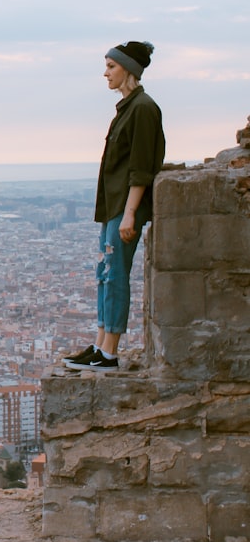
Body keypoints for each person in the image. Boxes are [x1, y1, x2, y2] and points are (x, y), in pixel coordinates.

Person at [64, 41, 165, 372]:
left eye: (111, 66)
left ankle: (110, 353)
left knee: (116, 273)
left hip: (125, 205)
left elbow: (140, 166)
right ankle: (100, 344)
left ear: (128, 70)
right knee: (105, 273)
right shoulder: (128, 107)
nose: (105, 73)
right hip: (115, 205)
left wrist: (132, 213)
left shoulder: (143, 108)